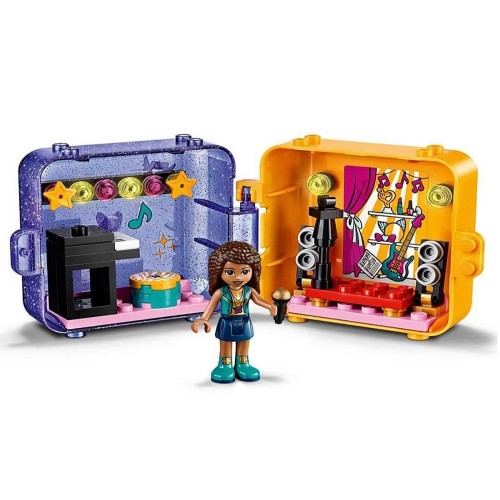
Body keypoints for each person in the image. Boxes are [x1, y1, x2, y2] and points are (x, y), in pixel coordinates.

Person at [191, 241, 277, 383]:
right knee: (225, 343)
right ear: (219, 271)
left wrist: (271, 307)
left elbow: (259, 300)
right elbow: (211, 306)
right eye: (230, 272)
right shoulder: (221, 292)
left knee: (244, 342)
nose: (238, 278)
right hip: (227, 321)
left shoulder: (249, 291)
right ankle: (224, 364)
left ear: (253, 271)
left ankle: (243, 363)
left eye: (245, 272)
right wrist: (203, 319)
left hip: (244, 321)